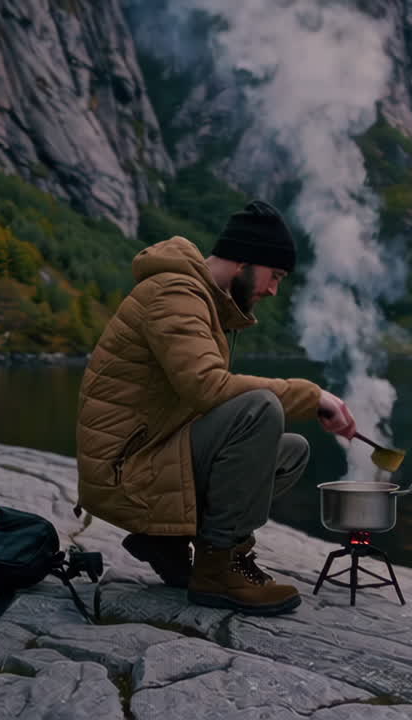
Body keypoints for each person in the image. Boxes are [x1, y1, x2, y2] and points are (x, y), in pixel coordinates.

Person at [75, 200, 356, 616]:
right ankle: (217, 567)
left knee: (290, 451)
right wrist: (311, 394)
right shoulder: (174, 292)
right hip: (126, 471)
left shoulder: (200, 299)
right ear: (245, 261)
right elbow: (207, 387)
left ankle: (166, 542)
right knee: (259, 409)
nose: (274, 289)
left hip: (149, 457)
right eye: (274, 275)